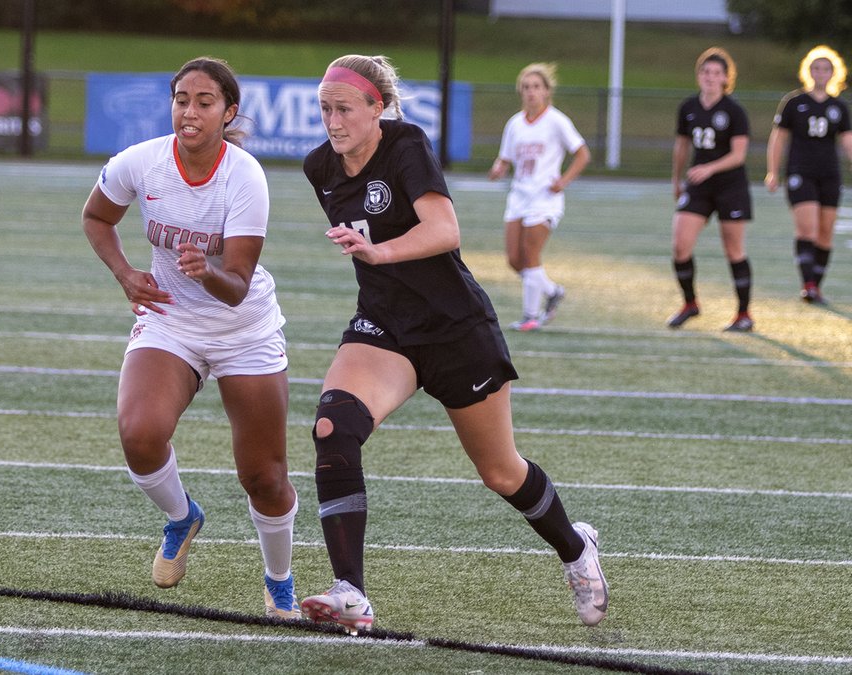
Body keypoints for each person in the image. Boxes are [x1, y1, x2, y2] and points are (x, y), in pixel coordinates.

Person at [298, 55, 608, 635]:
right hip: (385, 326)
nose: (332, 121)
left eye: (344, 109)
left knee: (500, 472)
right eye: (324, 109)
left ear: (377, 108)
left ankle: (575, 547)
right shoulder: (320, 166)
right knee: (332, 428)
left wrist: (381, 253)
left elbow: (445, 231)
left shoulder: (406, 144)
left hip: (453, 327)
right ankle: (350, 592)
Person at [80, 57, 300, 619]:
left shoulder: (244, 176)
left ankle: (279, 582)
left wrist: (207, 272)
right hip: (171, 319)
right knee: (139, 433)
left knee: (263, 476)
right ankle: (182, 517)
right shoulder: (140, 161)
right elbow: (96, 218)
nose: (190, 112)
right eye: (182, 100)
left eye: (205, 102)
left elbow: (238, 286)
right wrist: (125, 274)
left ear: (229, 113)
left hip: (243, 327)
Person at [488, 63, 590, 332]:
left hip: (544, 198)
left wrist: (563, 181)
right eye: (526, 87)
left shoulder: (556, 121)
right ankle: (552, 291)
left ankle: (530, 316)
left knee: (530, 253)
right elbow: (505, 158)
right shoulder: (515, 123)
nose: (531, 92)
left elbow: (582, 153)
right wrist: (499, 168)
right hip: (519, 197)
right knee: (515, 259)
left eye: (536, 86)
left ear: (546, 91)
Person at [668, 47, 755, 332]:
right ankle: (690, 304)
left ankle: (743, 314)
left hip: (731, 186)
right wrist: (676, 179)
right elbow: (682, 145)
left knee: (733, 249)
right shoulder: (688, 107)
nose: (710, 77)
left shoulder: (734, 111)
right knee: (680, 245)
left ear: (726, 78)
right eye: (705, 71)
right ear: (698, 75)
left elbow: (738, 155)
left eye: (716, 73)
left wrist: (710, 168)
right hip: (698, 185)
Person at [765, 45, 852, 306]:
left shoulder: (839, 106)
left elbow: (848, 142)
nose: (820, 72)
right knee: (808, 228)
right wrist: (773, 171)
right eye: (816, 68)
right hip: (800, 172)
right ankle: (808, 284)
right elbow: (778, 139)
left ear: (834, 73)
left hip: (829, 174)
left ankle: (816, 285)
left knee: (825, 232)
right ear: (808, 71)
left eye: (825, 68)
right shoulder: (794, 102)